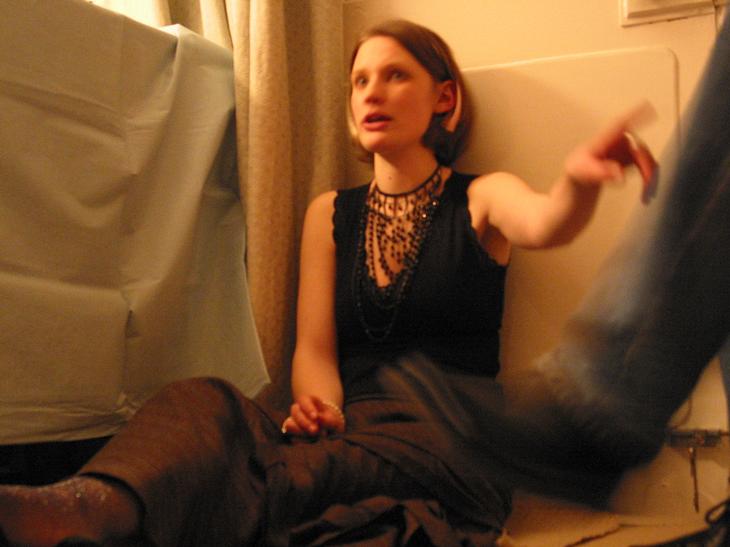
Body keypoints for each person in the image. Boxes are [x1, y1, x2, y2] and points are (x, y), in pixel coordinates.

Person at [0, 19, 658, 547]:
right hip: (349, 432)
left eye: (395, 75)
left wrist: (578, 181)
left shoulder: (481, 197)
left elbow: (546, 221)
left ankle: (104, 516)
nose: (371, 92)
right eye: (359, 81)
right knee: (203, 400)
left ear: (445, 98)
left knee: (283, 471)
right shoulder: (330, 213)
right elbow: (315, 349)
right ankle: (85, 500)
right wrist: (321, 408)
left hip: (454, 438)